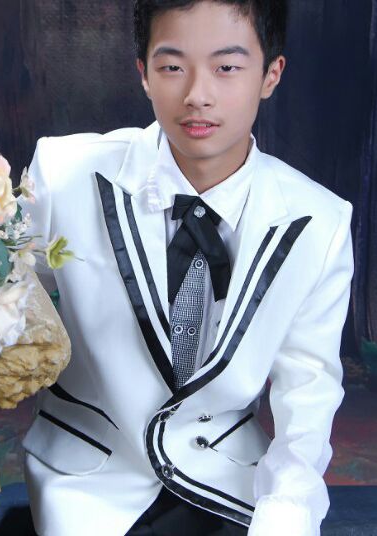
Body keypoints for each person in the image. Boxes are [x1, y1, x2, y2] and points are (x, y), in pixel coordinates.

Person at [20, 1, 354, 535]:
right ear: (144, 73)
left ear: (271, 75)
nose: (198, 94)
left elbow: (307, 393)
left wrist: (284, 516)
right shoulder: (63, 175)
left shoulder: (320, 222)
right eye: (173, 66)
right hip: (87, 478)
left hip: (227, 478)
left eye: (227, 67)